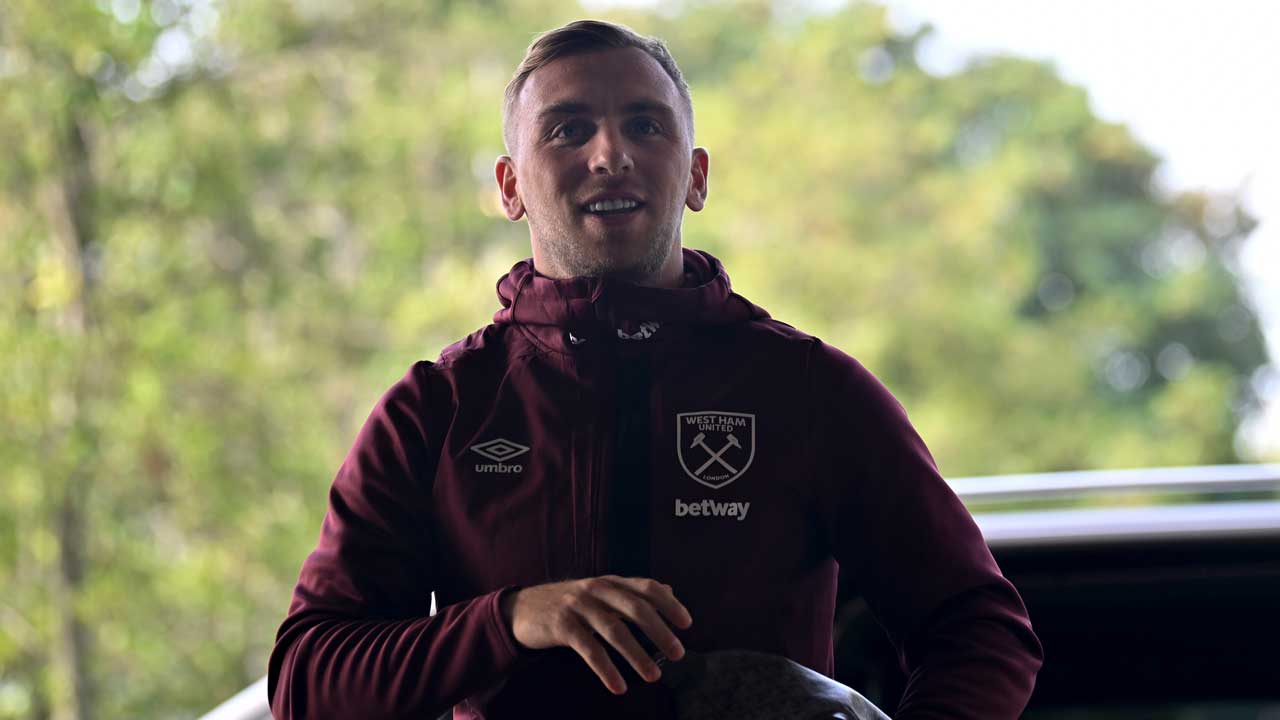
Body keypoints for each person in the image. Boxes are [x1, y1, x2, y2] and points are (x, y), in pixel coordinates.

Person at [267, 18, 1044, 720]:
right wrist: (507, 620)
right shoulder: (437, 410)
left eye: (645, 125)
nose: (611, 155)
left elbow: (980, 629)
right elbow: (307, 680)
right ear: (510, 187)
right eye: (568, 130)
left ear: (696, 174)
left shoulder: (810, 391)